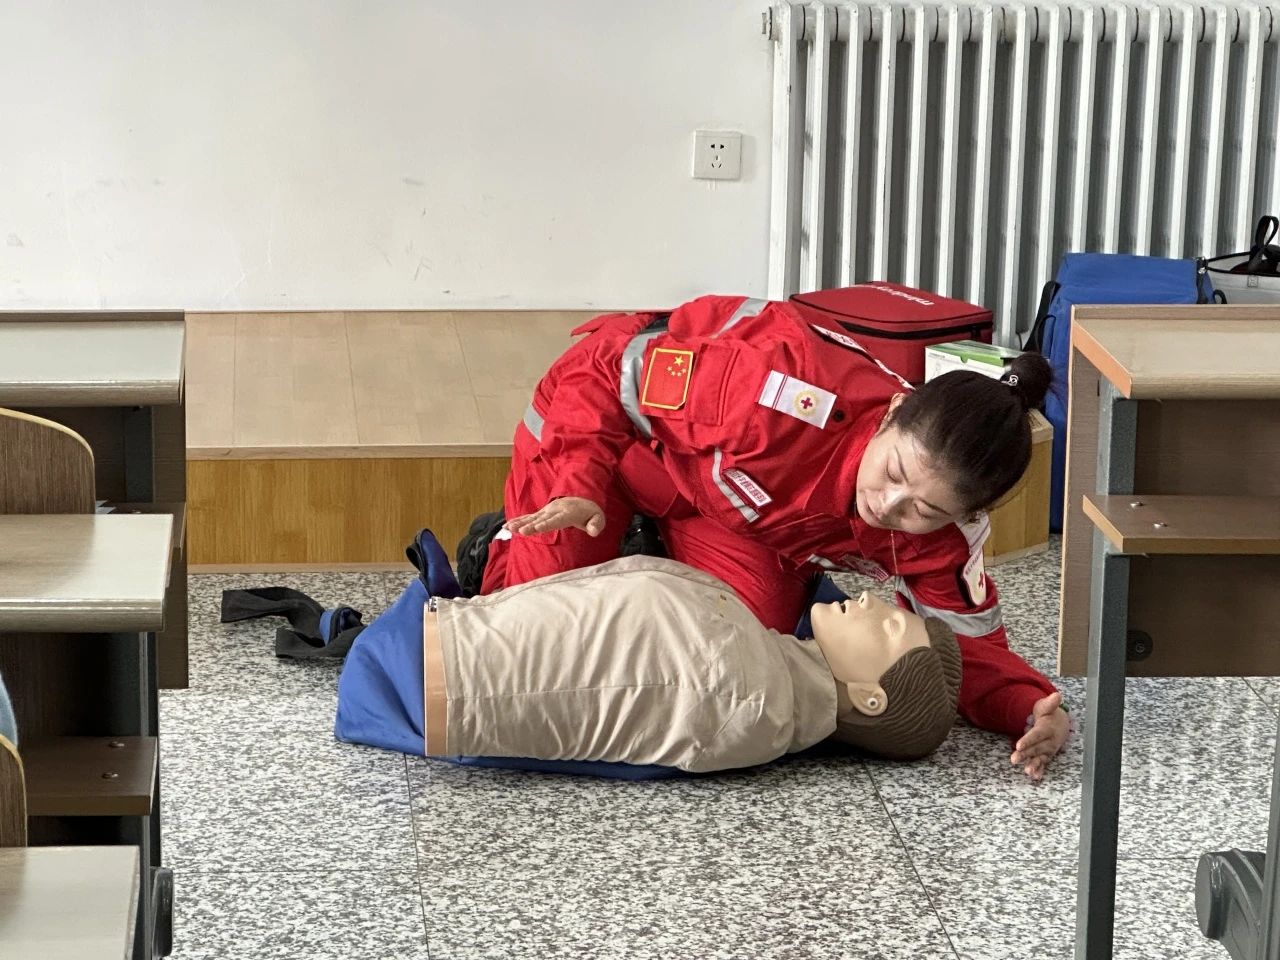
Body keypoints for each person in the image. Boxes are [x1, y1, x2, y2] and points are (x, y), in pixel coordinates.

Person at [476, 294, 1068, 780]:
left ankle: (645, 545)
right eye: (892, 473)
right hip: (608, 440)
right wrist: (579, 481)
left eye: (924, 510)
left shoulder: (946, 536)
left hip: (725, 509)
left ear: (965, 513)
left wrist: (1030, 708)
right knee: (532, 638)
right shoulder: (773, 389)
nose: (889, 507)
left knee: (738, 657)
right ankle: (496, 550)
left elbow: (957, 647)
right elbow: (607, 370)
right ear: (891, 412)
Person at [336, 535, 963, 772]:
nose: (872, 602)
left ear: (869, 697)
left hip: (431, 671)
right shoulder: (763, 670)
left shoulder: (751, 697)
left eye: (889, 629)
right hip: (433, 652)